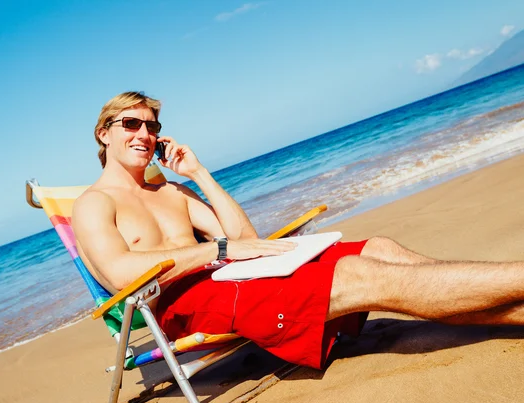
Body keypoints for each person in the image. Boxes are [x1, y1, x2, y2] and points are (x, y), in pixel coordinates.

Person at [72, 91, 524, 369]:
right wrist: (217, 252)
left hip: (234, 277)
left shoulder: (172, 192)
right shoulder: (94, 204)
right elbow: (120, 275)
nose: (145, 134)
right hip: (187, 304)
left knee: (378, 248)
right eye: (131, 123)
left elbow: (241, 234)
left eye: (152, 126)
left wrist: (200, 174)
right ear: (103, 133)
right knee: (358, 276)